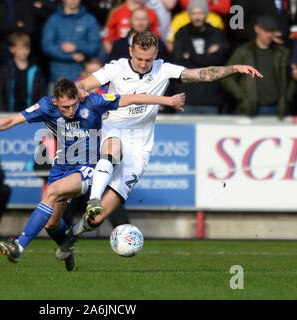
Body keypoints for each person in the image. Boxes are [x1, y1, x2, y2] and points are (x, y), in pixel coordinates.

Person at [55, 31, 263, 262]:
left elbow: (203, 74)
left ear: (156, 55)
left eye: (149, 60)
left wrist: (234, 68)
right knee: (112, 148)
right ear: (131, 52)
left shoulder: (164, 69)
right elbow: (83, 83)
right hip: (113, 129)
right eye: (140, 59)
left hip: (140, 147)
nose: (144, 64)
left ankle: (70, 239)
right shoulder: (116, 67)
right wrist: (80, 89)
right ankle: (93, 198)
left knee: (96, 219)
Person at [0, 77, 186, 271]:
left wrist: (167, 100)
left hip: (89, 168)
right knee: (52, 223)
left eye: (73, 106)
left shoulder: (93, 101)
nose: (70, 112)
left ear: (77, 98)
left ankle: (18, 246)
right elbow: (12, 120)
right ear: (55, 102)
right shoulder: (46, 106)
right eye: (65, 108)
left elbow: (130, 98)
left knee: (51, 192)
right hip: (61, 167)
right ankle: (67, 248)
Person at [221, 15, 296, 118]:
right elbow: (227, 77)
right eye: (266, 30)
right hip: (251, 108)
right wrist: (242, 97)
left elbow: (293, 77)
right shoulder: (244, 51)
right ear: (257, 29)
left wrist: (286, 98)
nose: (269, 34)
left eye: (271, 31)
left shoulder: (282, 52)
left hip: (277, 108)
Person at [172, 0, 226, 114]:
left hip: (210, 97)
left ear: (206, 14)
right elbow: (178, 62)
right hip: (187, 98)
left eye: (200, 13)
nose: (197, 17)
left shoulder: (216, 33)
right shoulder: (181, 34)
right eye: (194, 13)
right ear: (189, 15)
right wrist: (205, 57)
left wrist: (189, 55)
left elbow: (217, 61)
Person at [41, 0, 101, 89]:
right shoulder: (54, 20)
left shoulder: (89, 20)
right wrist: (71, 56)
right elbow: (47, 47)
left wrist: (76, 47)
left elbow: (95, 47)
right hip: (58, 77)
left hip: (83, 79)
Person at [0, 32, 47, 112]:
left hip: (31, 115)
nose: (24, 52)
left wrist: (38, 112)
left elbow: (41, 93)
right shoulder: (5, 69)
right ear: (12, 49)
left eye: (26, 48)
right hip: (9, 114)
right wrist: (1, 112)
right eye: (20, 49)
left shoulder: (36, 69)